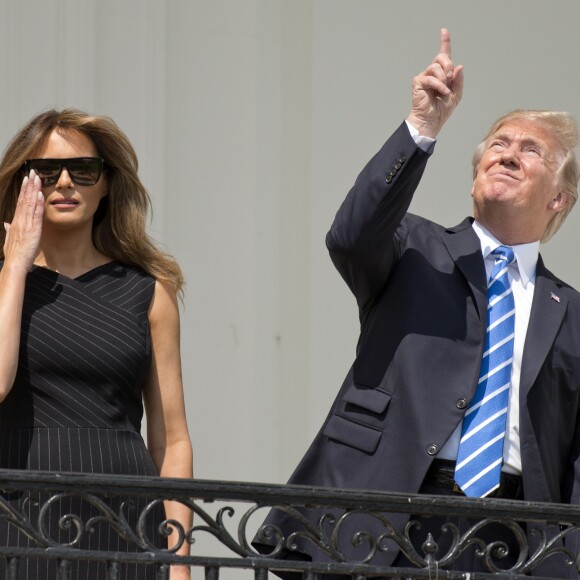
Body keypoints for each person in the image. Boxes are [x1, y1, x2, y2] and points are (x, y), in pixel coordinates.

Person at [257, 29, 580, 577]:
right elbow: (350, 235)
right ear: (475, 174)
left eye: (531, 150)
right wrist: (423, 127)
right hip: (384, 510)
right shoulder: (414, 248)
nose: (507, 152)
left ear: (559, 198)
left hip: (513, 536)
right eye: (498, 144)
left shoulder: (570, 312)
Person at [0, 109, 193, 579]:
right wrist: (15, 268)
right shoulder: (4, 282)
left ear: (105, 184)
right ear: (26, 184)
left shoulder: (149, 290)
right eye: (46, 172)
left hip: (125, 518)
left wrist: (180, 563)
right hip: (23, 517)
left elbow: (172, 440)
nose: (64, 182)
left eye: (82, 170)